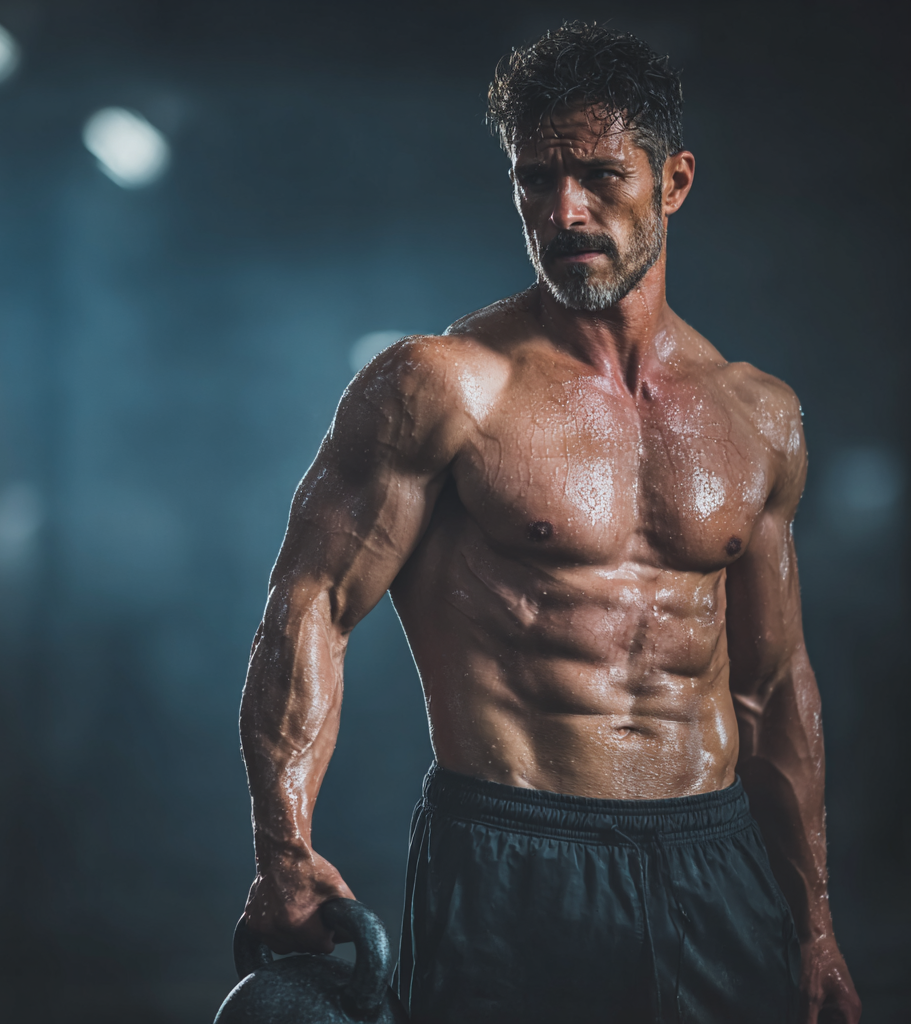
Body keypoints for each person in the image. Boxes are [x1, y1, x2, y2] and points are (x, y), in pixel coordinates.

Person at [238, 21, 861, 1024]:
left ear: (675, 182)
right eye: (534, 181)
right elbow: (307, 606)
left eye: (600, 176)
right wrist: (284, 850)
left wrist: (815, 922)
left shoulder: (759, 416)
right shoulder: (443, 387)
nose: (564, 210)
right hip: (512, 854)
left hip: (712, 856)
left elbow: (773, 683)